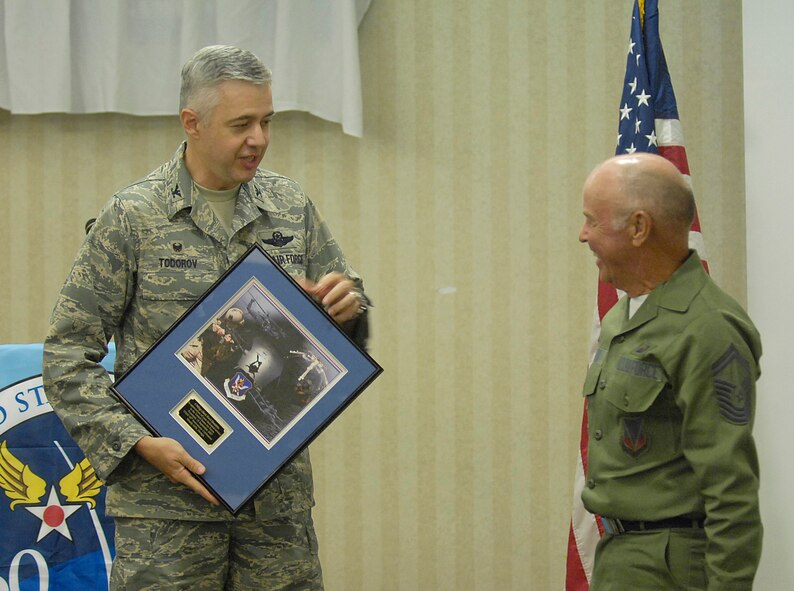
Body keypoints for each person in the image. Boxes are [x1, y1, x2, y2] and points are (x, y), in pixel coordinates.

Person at [43, 45, 369, 590]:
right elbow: (66, 355)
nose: (259, 139)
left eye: (267, 121)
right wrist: (136, 441)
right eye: (242, 124)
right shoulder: (134, 217)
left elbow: (342, 326)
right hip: (164, 511)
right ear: (191, 123)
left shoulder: (290, 207)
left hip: (274, 511)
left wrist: (349, 306)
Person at [577, 153, 762, 590]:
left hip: (670, 568)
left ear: (639, 227)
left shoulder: (708, 327)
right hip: (620, 558)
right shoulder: (626, 315)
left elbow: (731, 491)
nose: (582, 235)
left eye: (593, 221)